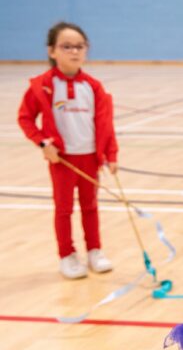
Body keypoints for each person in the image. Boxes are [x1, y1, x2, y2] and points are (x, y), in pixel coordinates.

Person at [18, 21, 118, 279]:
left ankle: (95, 251)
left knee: (90, 207)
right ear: (52, 51)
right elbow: (25, 118)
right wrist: (43, 143)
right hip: (62, 160)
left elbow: (106, 124)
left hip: (89, 158)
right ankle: (67, 255)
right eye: (66, 46)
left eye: (79, 46)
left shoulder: (94, 87)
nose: (74, 51)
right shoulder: (42, 85)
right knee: (63, 209)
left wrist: (111, 155)